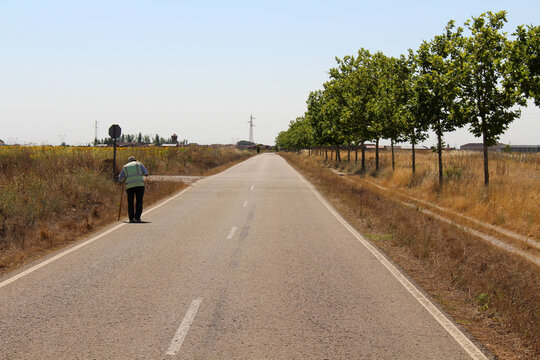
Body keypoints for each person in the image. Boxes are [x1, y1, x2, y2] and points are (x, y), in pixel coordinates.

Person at [118, 156, 149, 223]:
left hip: (130, 186)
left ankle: (131, 218)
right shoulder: (139, 164)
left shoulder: (125, 166)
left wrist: (121, 182)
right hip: (140, 185)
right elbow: (146, 173)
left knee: (130, 202)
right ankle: (137, 217)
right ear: (135, 160)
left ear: (129, 161)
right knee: (139, 201)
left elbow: (120, 178)